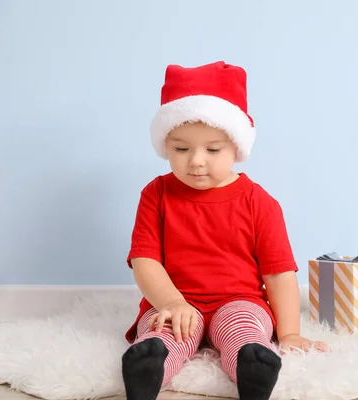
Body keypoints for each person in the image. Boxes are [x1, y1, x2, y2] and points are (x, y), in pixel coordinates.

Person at [121, 61, 329, 400]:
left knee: (243, 328)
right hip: (174, 300)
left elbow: (278, 275)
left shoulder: (259, 202)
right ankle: (149, 367)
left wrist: (289, 333)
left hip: (239, 299)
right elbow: (145, 261)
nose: (196, 160)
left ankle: (253, 367)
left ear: (237, 147)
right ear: (166, 145)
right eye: (181, 148)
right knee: (164, 330)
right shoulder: (156, 194)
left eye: (213, 149)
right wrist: (172, 302)